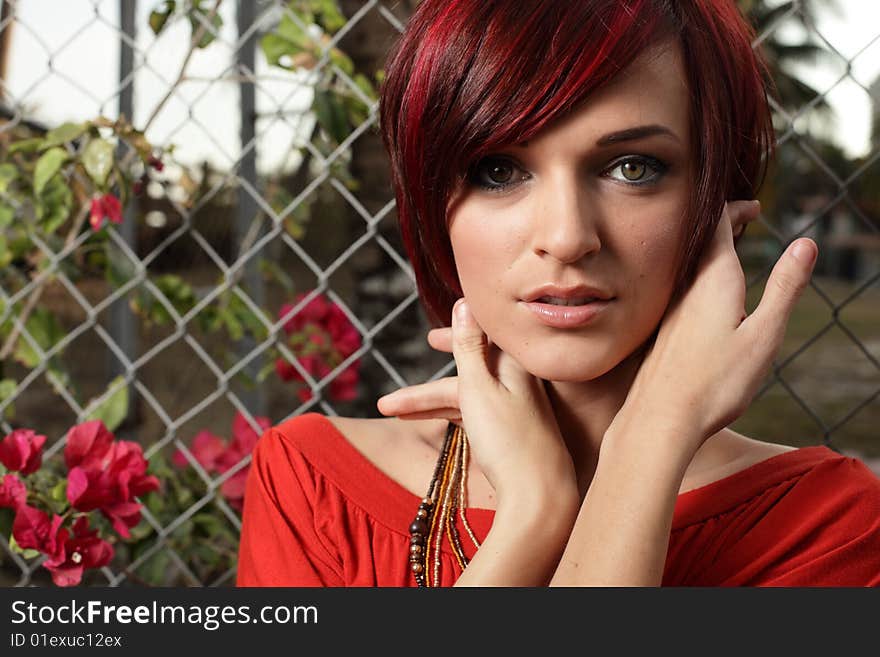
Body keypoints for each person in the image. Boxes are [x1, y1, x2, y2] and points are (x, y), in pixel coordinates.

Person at [236, 0, 880, 587]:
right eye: (498, 169)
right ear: (432, 203)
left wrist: (650, 441)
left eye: (634, 168)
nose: (567, 238)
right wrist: (533, 515)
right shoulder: (317, 489)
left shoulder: (825, 526)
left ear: (717, 200)